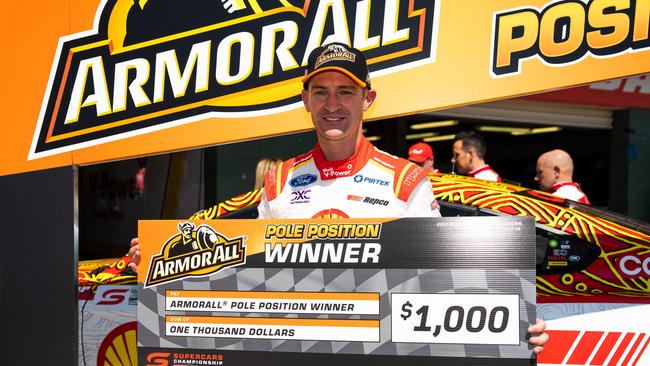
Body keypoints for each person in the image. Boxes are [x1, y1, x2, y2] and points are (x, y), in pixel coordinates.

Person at [129, 42, 548, 352]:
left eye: (346, 91)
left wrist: (511, 324)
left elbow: (442, 282)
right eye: (321, 91)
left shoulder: (406, 180)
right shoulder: (279, 181)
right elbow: (246, 279)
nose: (333, 104)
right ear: (305, 100)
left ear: (367, 99)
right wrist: (160, 266)